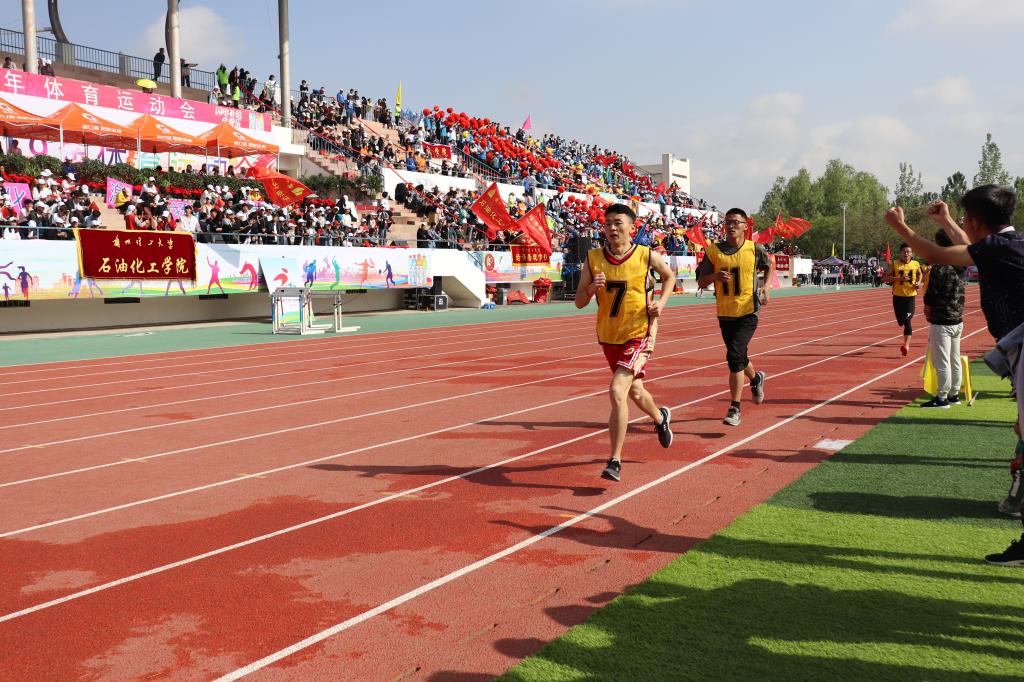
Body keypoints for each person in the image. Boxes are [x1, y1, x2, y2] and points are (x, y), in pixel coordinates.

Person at [884, 187, 1024, 566]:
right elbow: (970, 246)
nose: (962, 224)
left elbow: (937, 254)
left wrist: (901, 227)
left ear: (975, 221)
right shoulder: (1007, 244)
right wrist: (945, 220)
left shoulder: (1000, 248)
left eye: (964, 218)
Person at [574, 203, 675, 482]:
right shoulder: (593, 258)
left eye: (618, 223)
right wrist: (591, 288)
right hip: (609, 335)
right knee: (636, 392)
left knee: (617, 390)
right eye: (608, 223)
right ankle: (660, 418)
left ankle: (614, 461)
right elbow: (579, 301)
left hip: (640, 333)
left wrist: (661, 303)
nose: (612, 228)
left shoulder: (645, 255)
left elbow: (669, 277)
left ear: (632, 227)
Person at [695, 208, 774, 427]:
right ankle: (756, 378)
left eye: (736, 222)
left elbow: (770, 266)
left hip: (748, 311)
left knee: (734, 357)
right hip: (725, 313)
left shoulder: (755, 249)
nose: (731, 226)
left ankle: (735, 408)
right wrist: (715, 276)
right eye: (728, 222)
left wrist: (766, 287)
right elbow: (701, 281)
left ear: (745, 226)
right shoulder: (714, 251)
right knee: (738, 356)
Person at [920, 230, 967, 409]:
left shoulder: (940, 267)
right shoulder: (960, 265)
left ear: (940, 243)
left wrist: (927, 308)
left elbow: (932, 293)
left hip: (942, 319)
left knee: (942, 361)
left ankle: (942, 398)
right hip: (957, 318)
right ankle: (954, 394)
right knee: (954, 359)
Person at [883, 243, 922, 356]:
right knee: (901, 322)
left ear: (911, 253)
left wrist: (918, 282)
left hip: (910, 297)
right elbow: (884, 278)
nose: (906, 254)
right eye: (904, 251)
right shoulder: (894, 264)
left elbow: (920, 274)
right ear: (900, 253)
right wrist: (899, 278)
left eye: (908, 252)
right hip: (898, 297)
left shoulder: (916, 264)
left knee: (907, 321)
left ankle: (906, 346)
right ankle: (903, 329)